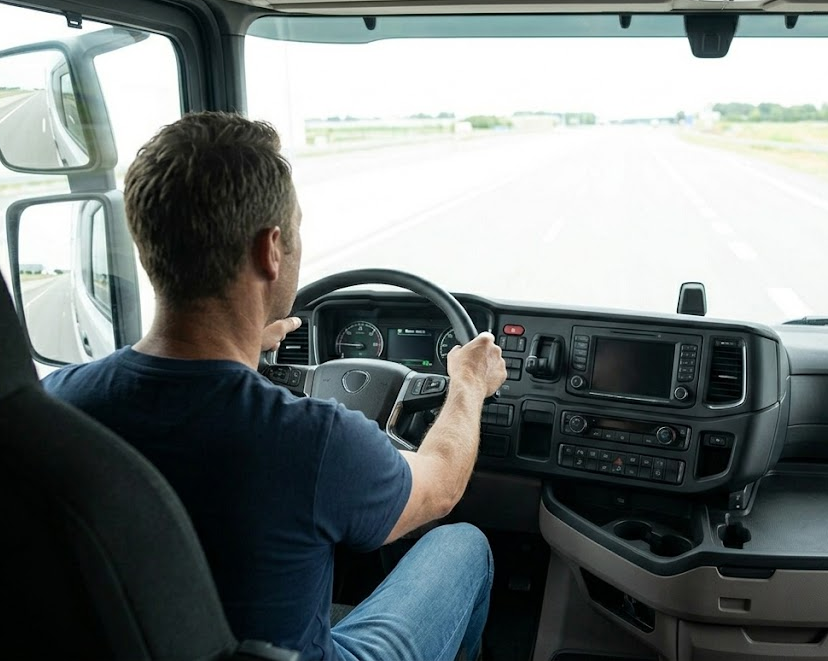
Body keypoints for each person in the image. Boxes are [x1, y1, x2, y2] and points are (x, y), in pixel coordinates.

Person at [43, 112, 507, 661]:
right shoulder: (313, 439)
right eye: (297, 232)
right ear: (271, 250)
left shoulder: (56, 404)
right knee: (463, 544)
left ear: (147, 247)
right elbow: (440, 486)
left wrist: (245, 352)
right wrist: (468, 386)